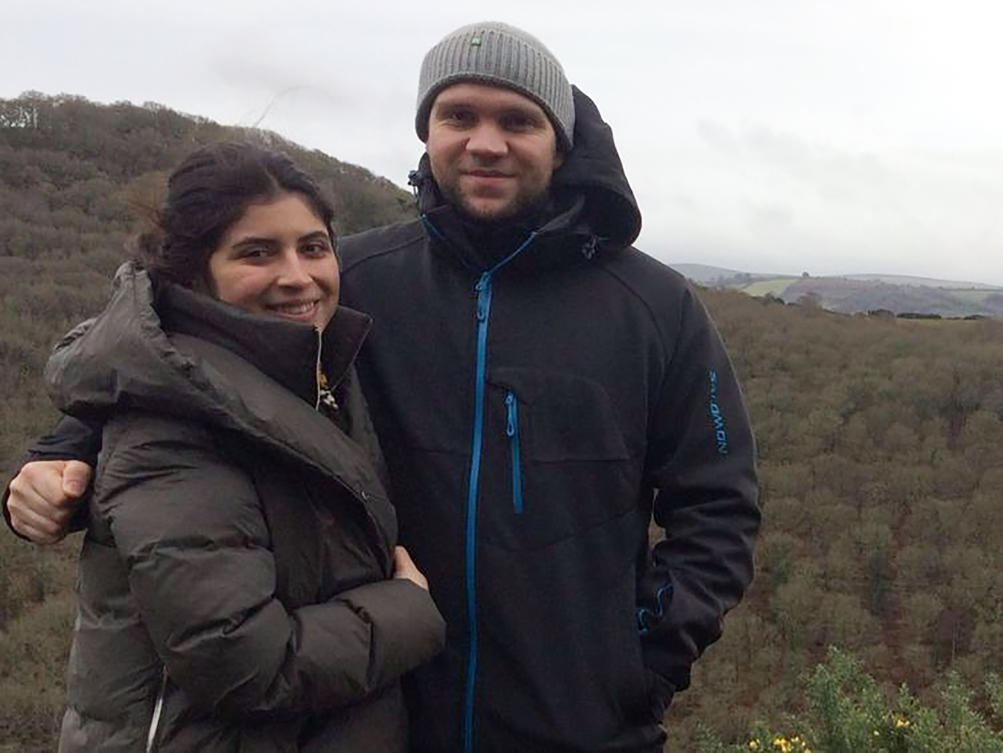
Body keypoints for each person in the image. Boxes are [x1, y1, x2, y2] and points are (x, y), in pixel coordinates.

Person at [6, 22, 760, 753]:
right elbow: (183, 367)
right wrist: (63, 453)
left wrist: (646, 660)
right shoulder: (343, 283)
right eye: (457, 114)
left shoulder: (655, 308)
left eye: (516, 120)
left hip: (586, 721)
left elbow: (717, 502)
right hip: (375, 707)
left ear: (558, 141)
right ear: (426, 131)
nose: (485, 141)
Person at [34, 142, 445, 752]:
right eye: (256, 253)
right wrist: (408, 610)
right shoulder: (173, 432)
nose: (297, 276)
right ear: (194, 271)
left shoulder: (315, 372)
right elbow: (245, 665)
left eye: (314, 247)